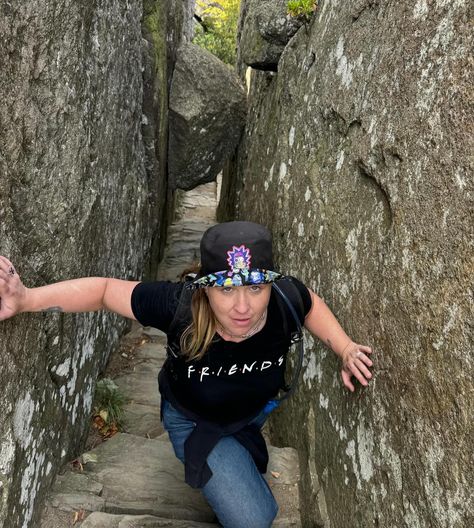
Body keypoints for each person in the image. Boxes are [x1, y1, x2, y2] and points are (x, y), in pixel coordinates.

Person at [0, 221, 373, 528]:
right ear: (206, 288)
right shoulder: (177, 305)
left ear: (270, 284)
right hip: (195, 420)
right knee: (256, 519)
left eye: (256, 287)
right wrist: (27, 299)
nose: (243, 306)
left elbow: (309, 303)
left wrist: (345, 348)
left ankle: (238, 450)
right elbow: (104, 291)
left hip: (253, 411)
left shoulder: (285, 298)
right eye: (226, 289)